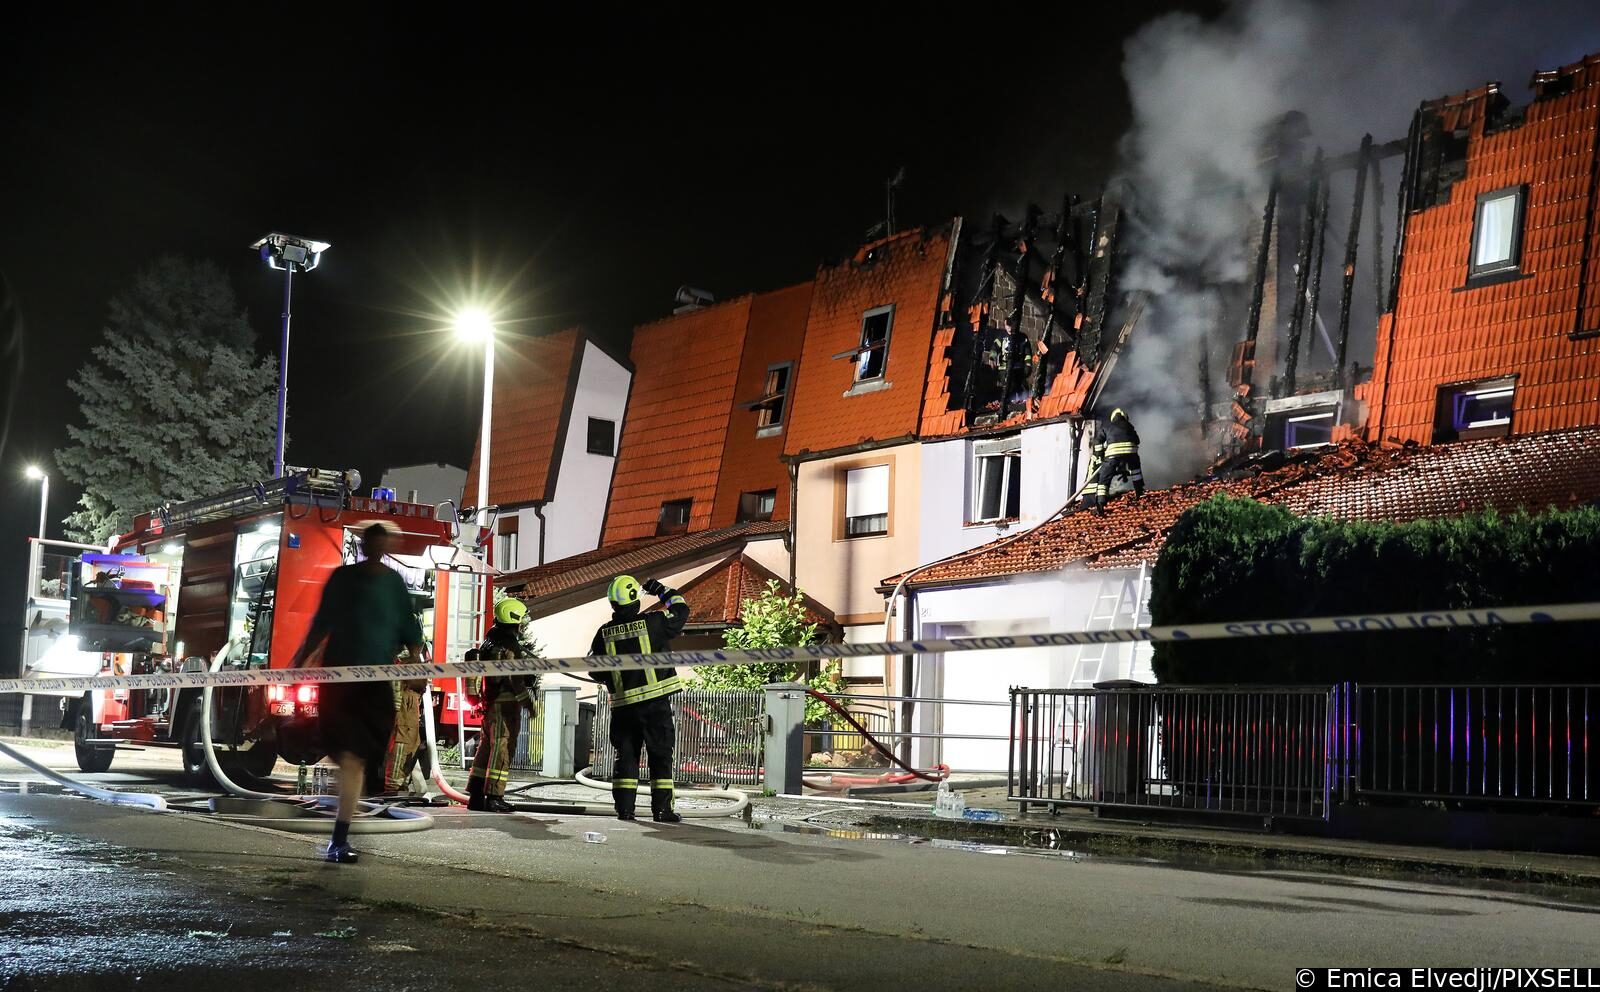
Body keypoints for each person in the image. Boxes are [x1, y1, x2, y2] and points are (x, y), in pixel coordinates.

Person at [290, 520, 422, 865]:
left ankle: (339, 838)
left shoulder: (392, 584)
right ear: (367, 546)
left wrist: (418, 665)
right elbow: (322, 623)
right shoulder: (345, 579)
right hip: (342, 683)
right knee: (351, 760)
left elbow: (410, 628)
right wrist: (298, 661)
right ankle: (339, 838)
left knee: (357, 760)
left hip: (371, 685)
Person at [587, 575, 689, 822]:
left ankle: (625, 810)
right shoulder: (654, 622)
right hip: (654, 704)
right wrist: (661, 590)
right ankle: (662, 810)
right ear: (634, 598)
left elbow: (593, 667)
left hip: (623, 709)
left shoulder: (604, 633)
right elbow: (681, 610)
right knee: (660, 755)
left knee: (626, 758)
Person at [464, 598, 540, 812]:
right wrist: (527, 702)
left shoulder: (490, 641)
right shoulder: (509, 646)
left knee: (486, 750)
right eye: (521, 620)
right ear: (514, 619)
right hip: (505, 707)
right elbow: (515, 679)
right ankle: (495, 796)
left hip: (489, 705)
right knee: (503, 750)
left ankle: (476, 795)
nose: (522, 625)